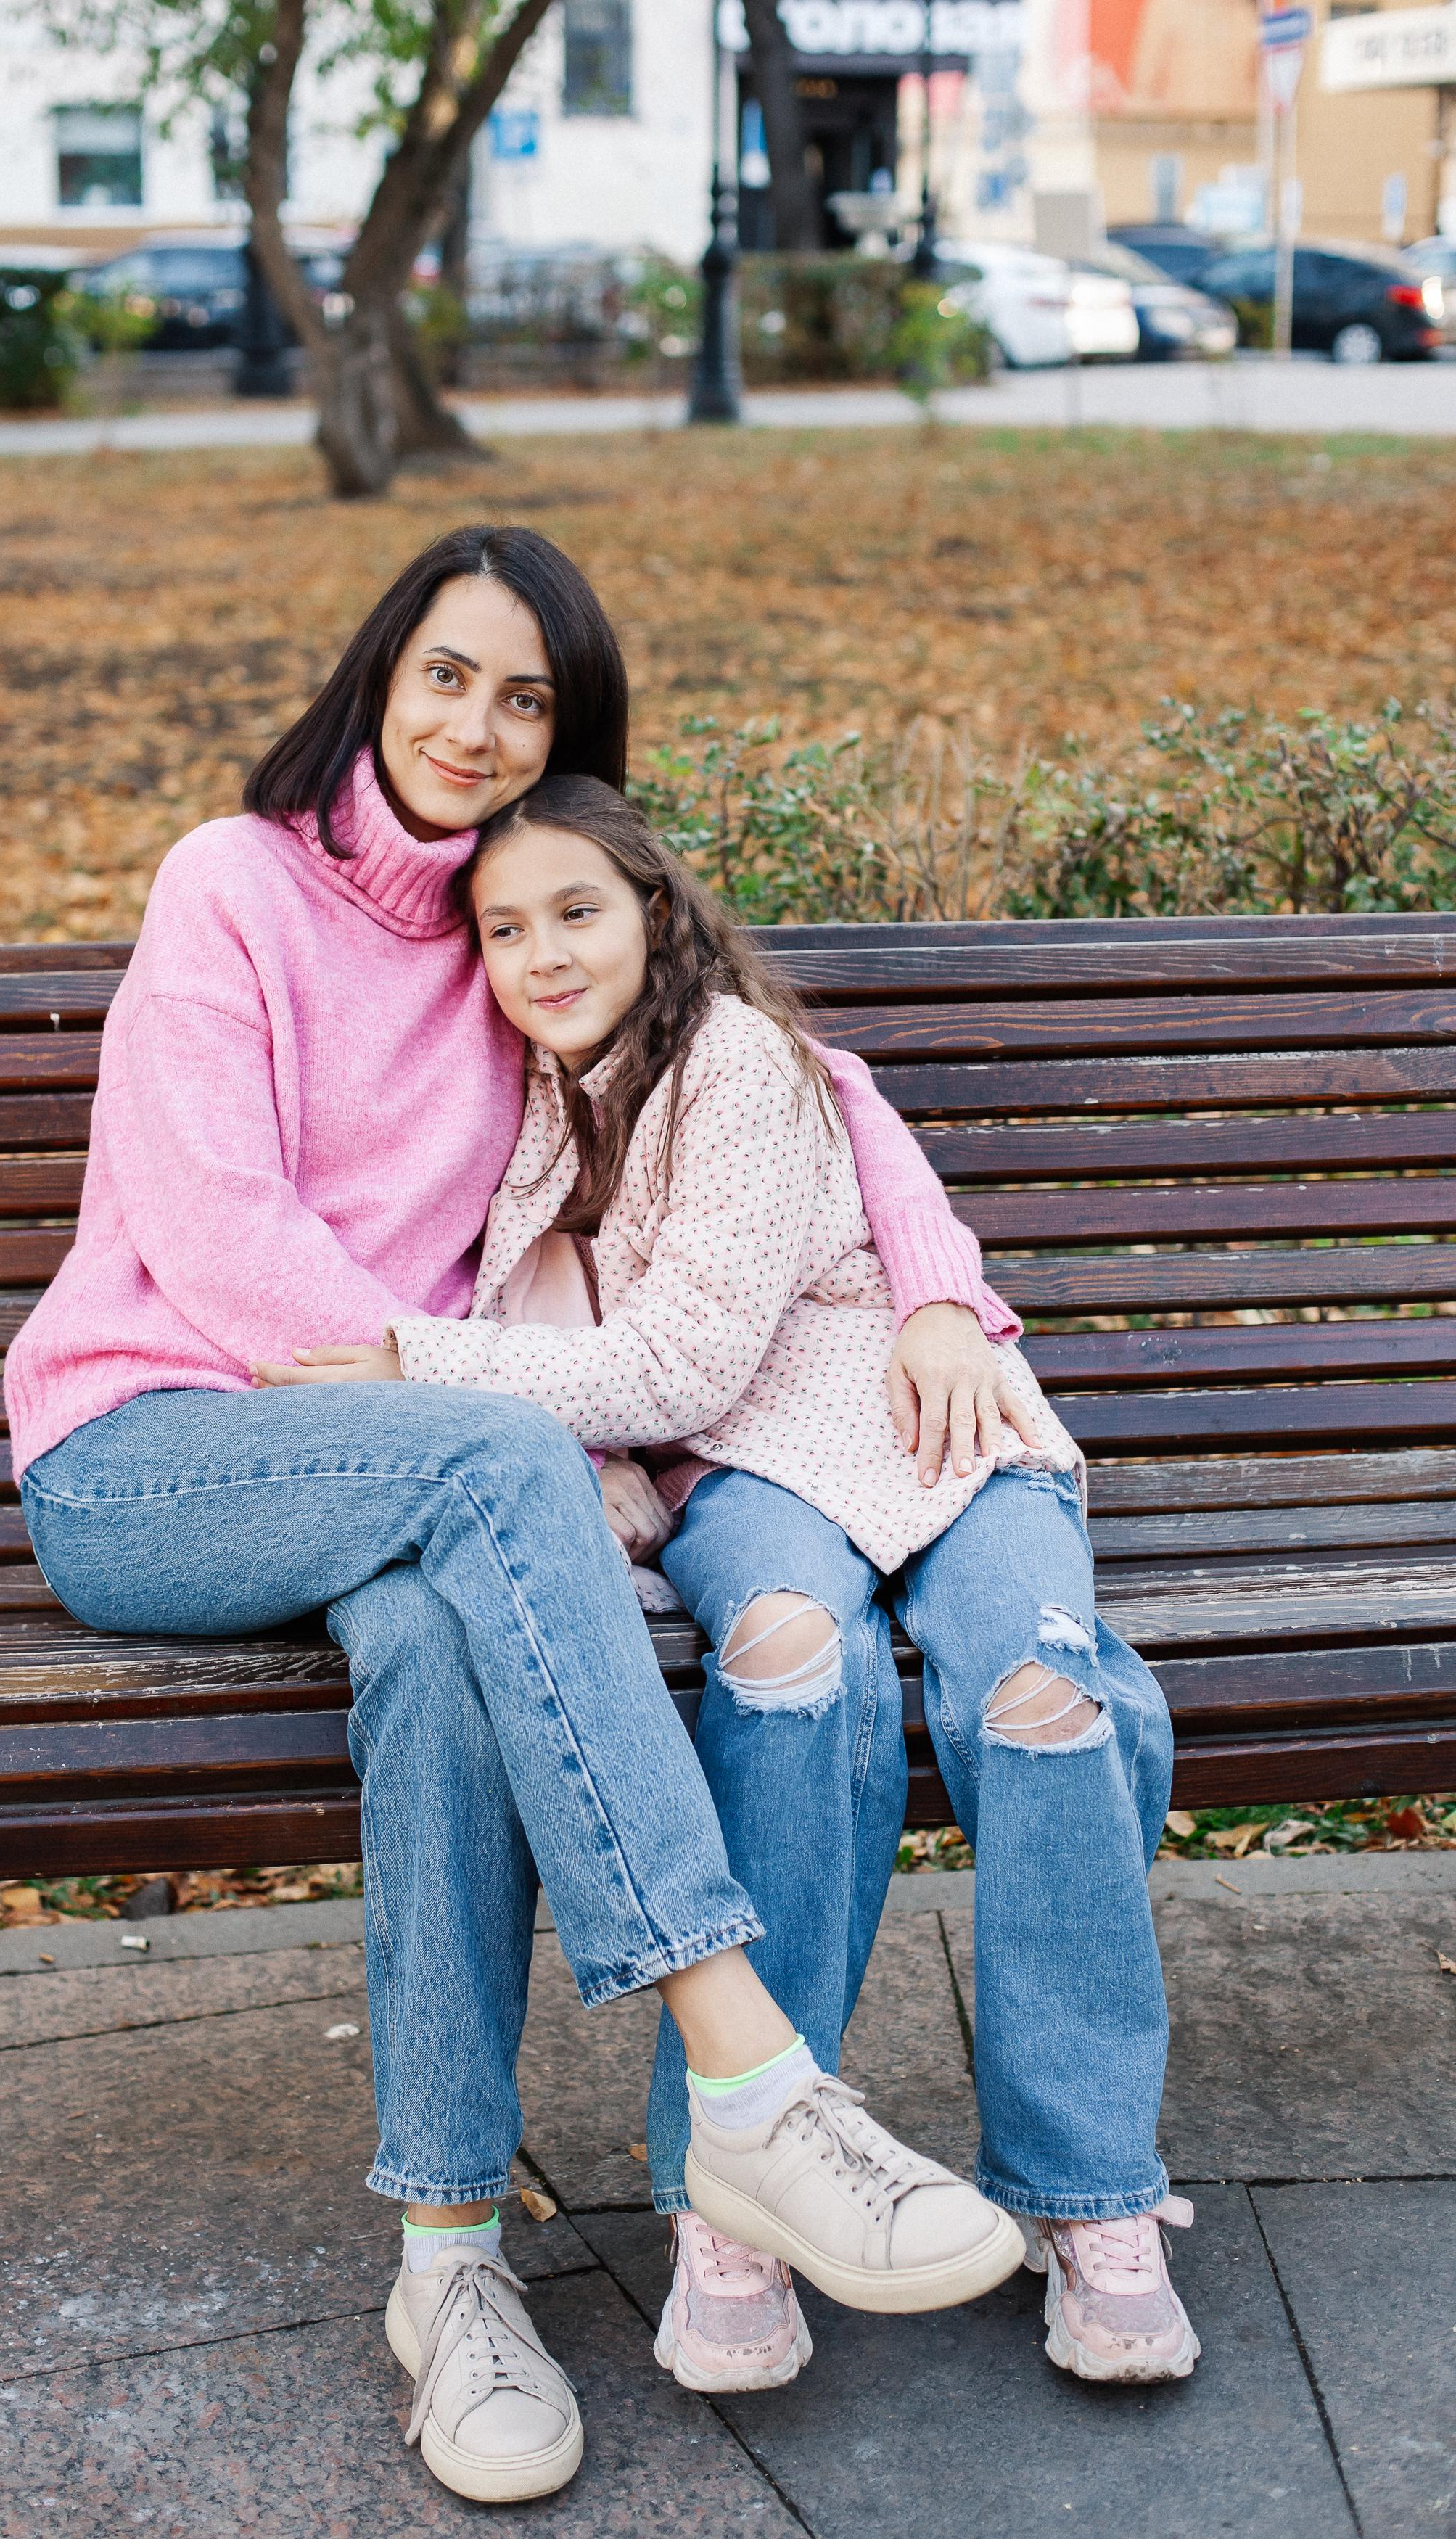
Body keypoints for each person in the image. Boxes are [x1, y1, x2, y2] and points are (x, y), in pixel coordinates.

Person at [7, 526, 1036, 2506]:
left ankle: (447, 2270)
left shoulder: (514, 925)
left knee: (433, 1651)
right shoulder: (227, 888)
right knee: (489, 1453)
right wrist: (424, 1374)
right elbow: (215, 1231)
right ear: (381, 668)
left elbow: (807, 1079)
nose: (476, 728)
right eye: (448, 675)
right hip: (148, 1449)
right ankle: (751, 2073)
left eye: (527, 701)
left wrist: (932, 1287)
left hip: (387, 1493)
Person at [273, 771, 1198, 2400]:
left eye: (576, 911)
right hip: (744, 1472)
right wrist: (597, 1477)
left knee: (1045, 1705)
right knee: (781, 1665)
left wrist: (940, 1299)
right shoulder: (538, 1102)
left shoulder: (741, 1061)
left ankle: (1088, 2191)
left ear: (654, 909)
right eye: (502, 929)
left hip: (944, 1431)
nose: (542, 953)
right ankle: (740, 2193)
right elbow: (581, 1339)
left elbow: (675, 1340)